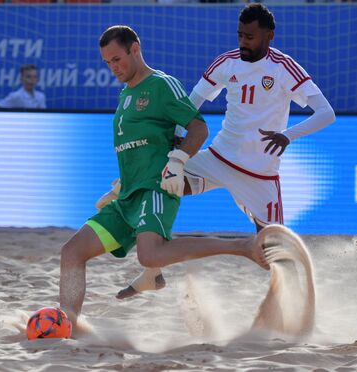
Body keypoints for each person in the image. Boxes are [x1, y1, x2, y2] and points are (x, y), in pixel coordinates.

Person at [109, 3, 336, 299]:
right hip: (218, 158)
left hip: (260, 175)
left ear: (269, 35)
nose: (243, 42)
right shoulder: (227, 62)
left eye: (250, 36)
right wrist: (178, 137)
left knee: (275, 254)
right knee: (160, 182)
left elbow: (326, 113)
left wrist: (288, 135)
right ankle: (153, 270)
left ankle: (291, 309)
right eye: (240, 35)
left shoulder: (283, 68)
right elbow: (194, 100)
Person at [59, 25, 274, 329]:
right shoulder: (125, 93)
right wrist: (121, 186)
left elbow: (198, 127)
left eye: (117, 59)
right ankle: (66, 323)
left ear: (135, 49)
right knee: (71, 252)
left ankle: (243, 246)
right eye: (107, 63)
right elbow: (136, 147)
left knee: (150, 254)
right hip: (129, 196)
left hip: (156, 189)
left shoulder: (162, 85)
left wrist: (178, 160)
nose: (113, 68)